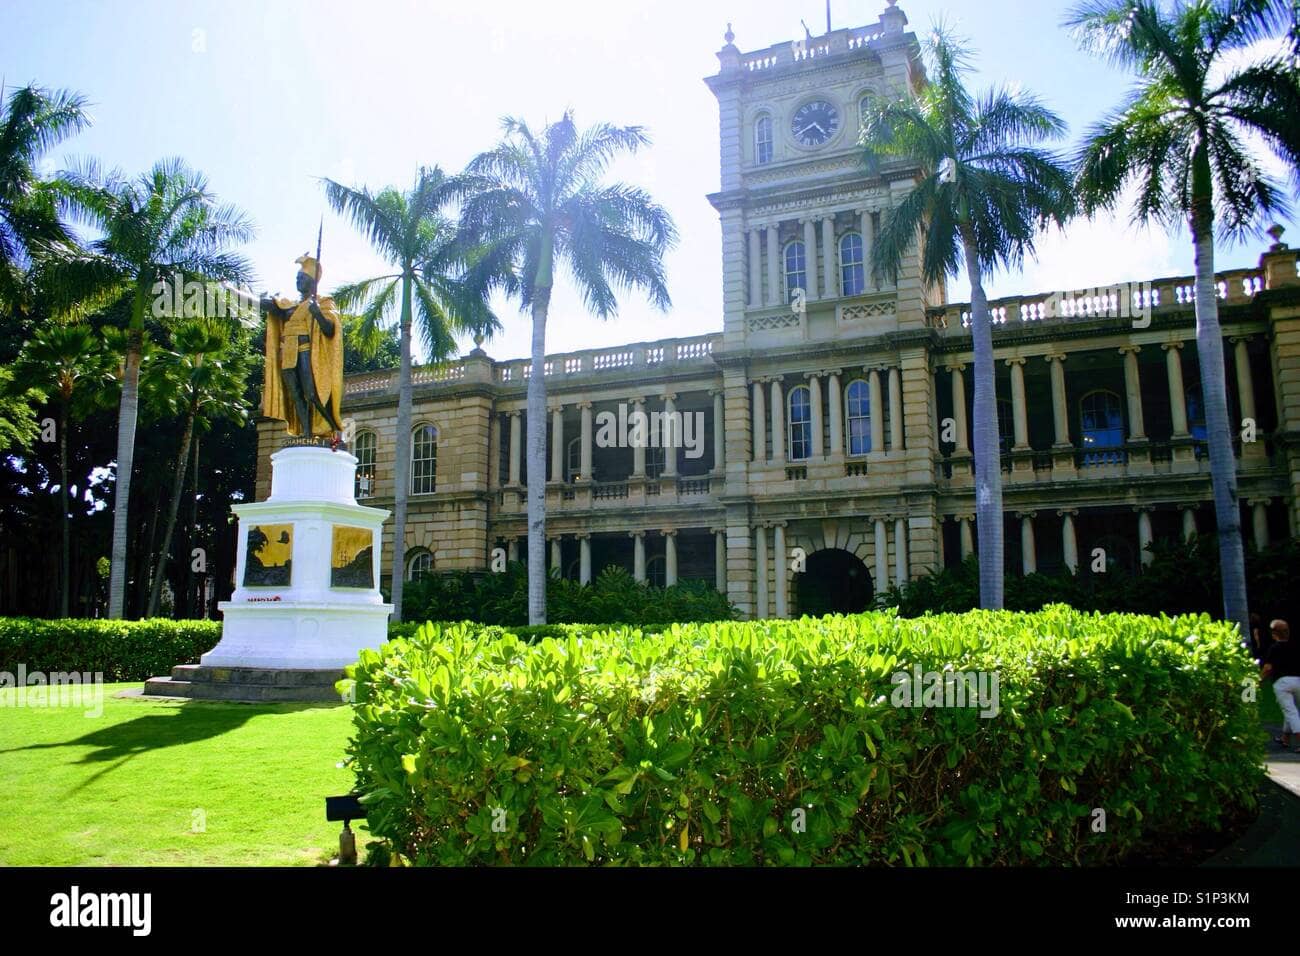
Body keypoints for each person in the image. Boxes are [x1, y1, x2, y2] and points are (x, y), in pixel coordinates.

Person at [1261, 619, 1300, 752]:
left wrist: (1258, 681)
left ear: (1273, 634)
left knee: (1290, 712)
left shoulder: (1274, 648)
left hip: (1282, 683)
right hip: (1298, 681)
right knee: (1290, 711)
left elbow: (1267, 668)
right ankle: (1285, 738)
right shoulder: (1295, 646)